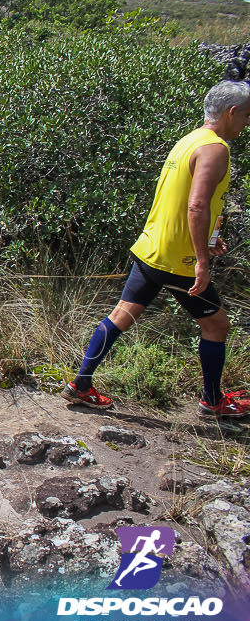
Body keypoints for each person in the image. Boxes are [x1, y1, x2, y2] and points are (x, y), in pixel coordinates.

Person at [62, 80, 250, 419]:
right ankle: (212, 401)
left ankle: (80, 385)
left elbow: (182, 202)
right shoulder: (215, 148)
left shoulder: (189, 140)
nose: (246, 123)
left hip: (153, 248)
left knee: (121, 315)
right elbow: (196, 206)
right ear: (232, 112)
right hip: (179, 260)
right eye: (246, 116)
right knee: (217, 326)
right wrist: (202, 261)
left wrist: (208, 236)